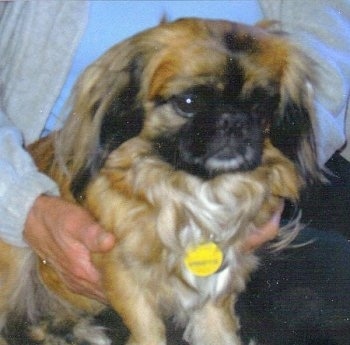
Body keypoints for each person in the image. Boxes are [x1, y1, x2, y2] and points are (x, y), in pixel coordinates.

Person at [0, 0, 349, 310]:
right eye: (191, 102)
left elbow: (330, 46)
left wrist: (271, 188)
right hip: (61, 186)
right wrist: (24, 207)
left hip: (258, 185)